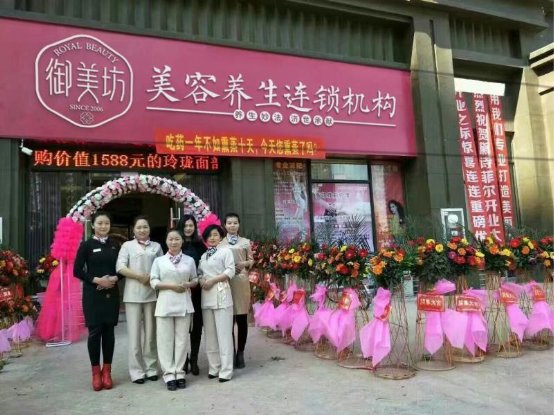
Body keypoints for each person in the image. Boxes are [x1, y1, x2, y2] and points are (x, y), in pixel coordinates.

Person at [73, 211, 122, 391]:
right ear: (93, 225)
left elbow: (122, 268)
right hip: (93, 294)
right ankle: (95, 372)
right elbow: (77, 270)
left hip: (111, 293)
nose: (103, 226)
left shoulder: (115, 245)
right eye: (100, 223)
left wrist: (113, 279)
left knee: (109, 332)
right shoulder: (86, 245)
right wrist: (97, 280)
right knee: (94, 333)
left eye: (106, 223)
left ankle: (107, 371)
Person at [116, 215, 163, 385]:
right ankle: (136, 371)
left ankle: (151, 368)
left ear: (149, 229)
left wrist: (152, 277)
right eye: (139, 227)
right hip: (133, 295)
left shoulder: (156, 246)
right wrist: (139, 276)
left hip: (152, 294)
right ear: (134, 230)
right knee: (134, 336)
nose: (142, 230)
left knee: (150, 334)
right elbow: (120, 267)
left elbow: (162, 265)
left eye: (145, 227)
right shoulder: (127, 246)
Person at [150, 230, 197, 391]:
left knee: (182, 340)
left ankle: (180, 372)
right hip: (165, 304)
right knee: (165, 340)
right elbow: (153, 281)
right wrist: (171, 286)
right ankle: (169, 374)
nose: (174, 242)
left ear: (182, 241)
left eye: (177, 239)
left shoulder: (189, 260)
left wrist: (189, 284)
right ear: (166, 241)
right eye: (170, 239)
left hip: (184, 303)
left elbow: (195, 279)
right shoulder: (159, 261)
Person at [198, 224, 235, 382]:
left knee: (224, 335)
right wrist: (202, 281)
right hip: (207, 296)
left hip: (221, 294)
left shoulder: (226, 251)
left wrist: (212, 280)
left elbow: (230, 270)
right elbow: (200, 273)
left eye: (215, 235)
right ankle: (214, 367)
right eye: (209, 235)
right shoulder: (203, 256)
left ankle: (226, 370)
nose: (212, 238)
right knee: (210, 334)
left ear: (220, 237)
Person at [218, 212, 254, 369]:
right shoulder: (220, 243)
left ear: (239, 225)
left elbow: (251, 260)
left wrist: (243, 264)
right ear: (224, 225)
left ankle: (241, 353)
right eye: (229, 223)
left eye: (235, 223)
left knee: (241, 318)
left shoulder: (245, 242)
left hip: (241, 281)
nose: (232, 225)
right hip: (227, 282)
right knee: (228, 320)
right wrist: (228, 268)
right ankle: (230, 352)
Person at [177, 214, 207, 376]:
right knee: (181, 327)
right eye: (185, 225)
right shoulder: (175, 243)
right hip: (179, 291)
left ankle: (194, 360)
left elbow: (204, 266)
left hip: (196, 292)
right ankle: (183, 360)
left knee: (196, 327)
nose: (188, 228)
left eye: (191, 225)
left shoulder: (200, 245)